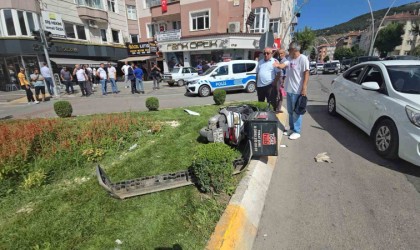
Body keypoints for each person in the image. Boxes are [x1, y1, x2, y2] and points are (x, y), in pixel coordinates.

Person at [274, 41, 310, 140]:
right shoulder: (289, 58)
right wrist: (278, 65)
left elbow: (306, 73)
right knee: (290, 111)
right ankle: (292, 128)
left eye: (289, 49)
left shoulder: (303, 59)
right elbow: (283, 65)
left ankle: (297, 131)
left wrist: (304, 88)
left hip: (297, 90)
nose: (288, 51)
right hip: (289, 89)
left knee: (296, 112)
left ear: (294, 50)